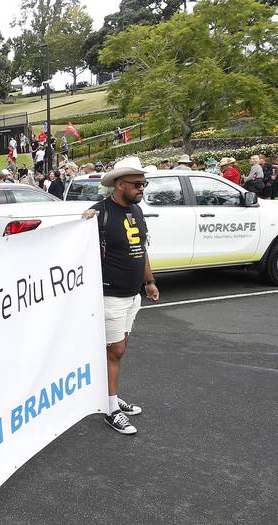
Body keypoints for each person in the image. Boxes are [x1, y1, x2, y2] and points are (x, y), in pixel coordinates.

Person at [82, 157, 159, 435]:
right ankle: (111, 409)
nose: (142, 188)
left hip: (132, 294)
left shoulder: (137, 211)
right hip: (109, 295)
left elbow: (143, 248)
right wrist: (84, 221)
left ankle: (110, 397)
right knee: (115, 351)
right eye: (137, 184)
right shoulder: (98, 213)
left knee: (118, 349)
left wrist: (149, 282)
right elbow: (75, 243)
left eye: (144, 183)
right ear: (119, 184)